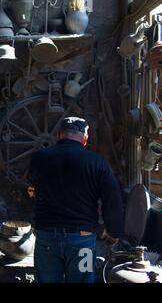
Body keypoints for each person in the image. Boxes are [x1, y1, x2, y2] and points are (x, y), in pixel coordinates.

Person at [29, 117, 124, 283]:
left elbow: (31, 190)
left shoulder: (39, 158)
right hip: (83, 240)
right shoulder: (98, 163)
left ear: (59, 135)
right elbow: (112, 200)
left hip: (47, 237)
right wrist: (114, 231)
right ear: (85, 139)